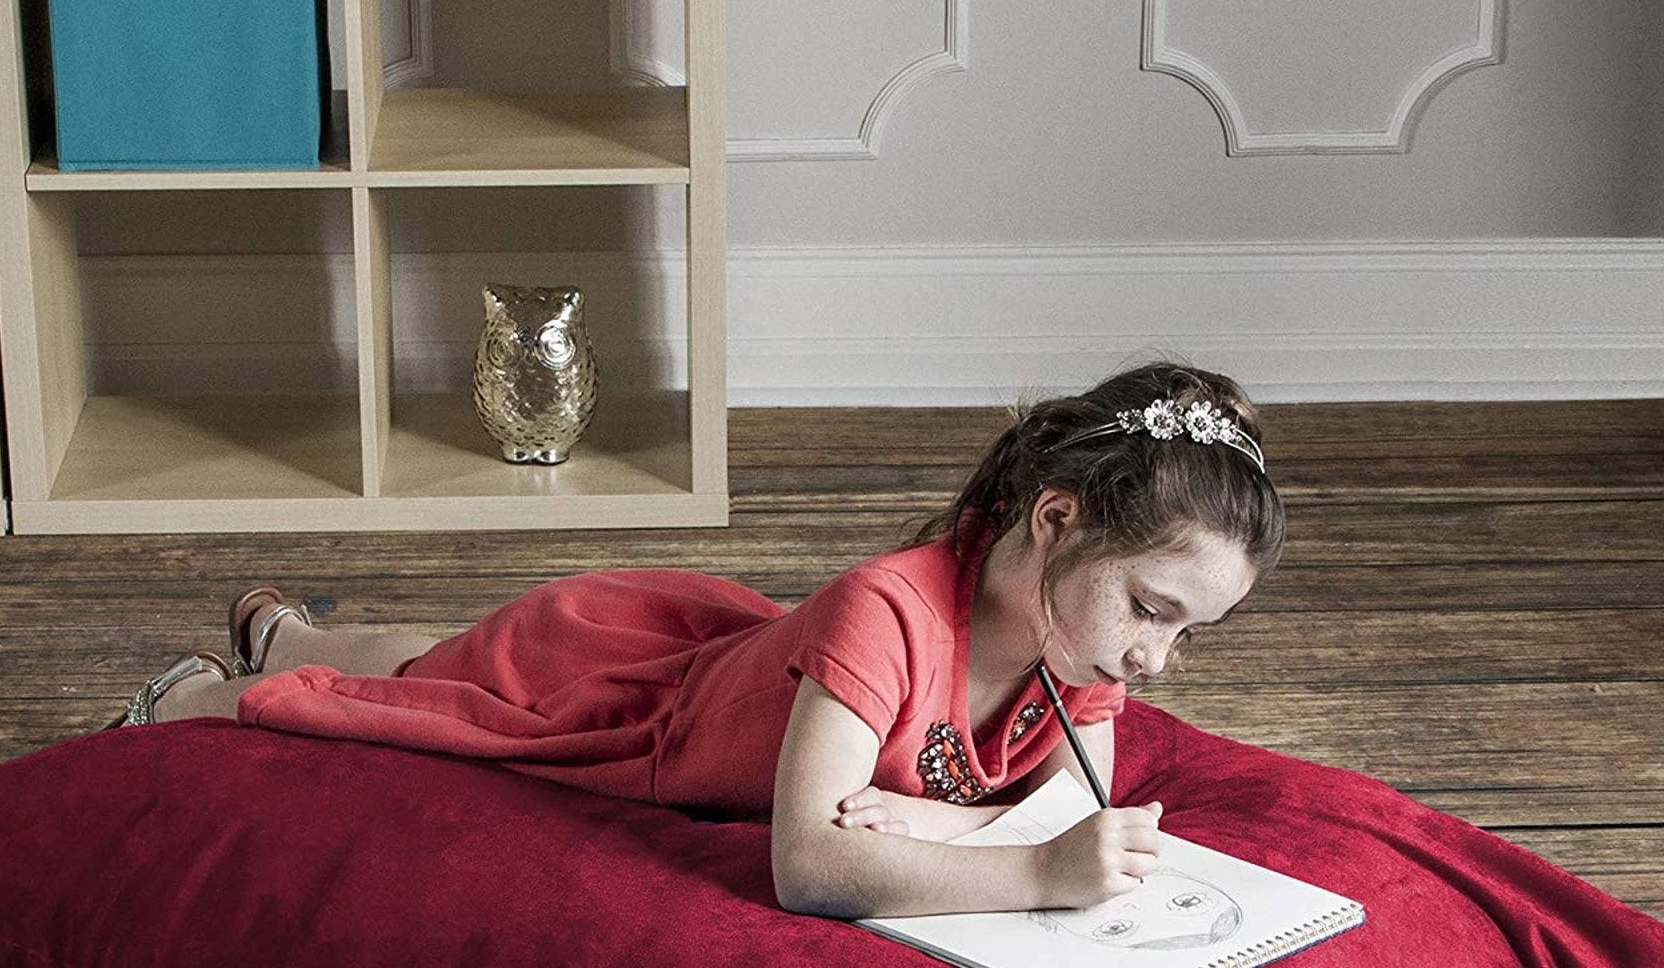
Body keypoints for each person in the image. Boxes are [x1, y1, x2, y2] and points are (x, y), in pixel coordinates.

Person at [117, 358, 1286, 919]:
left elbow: (1061, 804)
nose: (1154, 661)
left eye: (1186, 633)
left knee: (440, 654)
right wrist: (1028, 868)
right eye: (1151, 610)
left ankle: (284, 627)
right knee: (432, 689)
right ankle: (208, 687)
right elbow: (808, 865)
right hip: (633, 703)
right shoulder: (887, 611)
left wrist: (937, 822)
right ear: (1056, 521)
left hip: (733, 660)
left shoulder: (1078, 643)